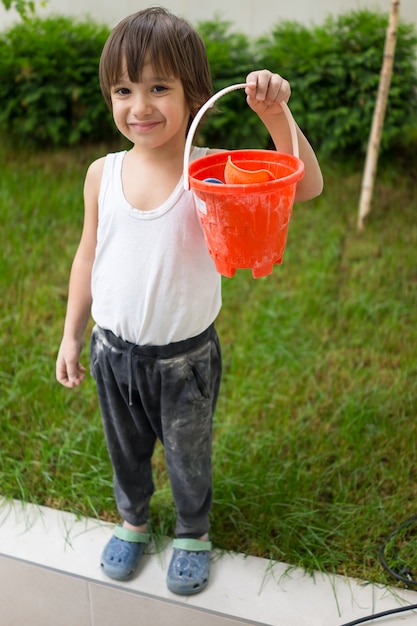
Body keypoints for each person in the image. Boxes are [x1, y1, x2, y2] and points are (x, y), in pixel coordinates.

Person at [56, 6, 323, 596]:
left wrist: (276, 115)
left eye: (159, 88)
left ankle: (192, 531)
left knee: (187, 453)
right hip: (113, 352)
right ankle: (132, 521)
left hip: (185, 361)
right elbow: (86, 255)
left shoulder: (206, 171)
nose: (139, 106)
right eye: (123, 90)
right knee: (125, 449)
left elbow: (303, 185)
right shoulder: (102, 173)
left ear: (194, 93)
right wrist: (73, 334)